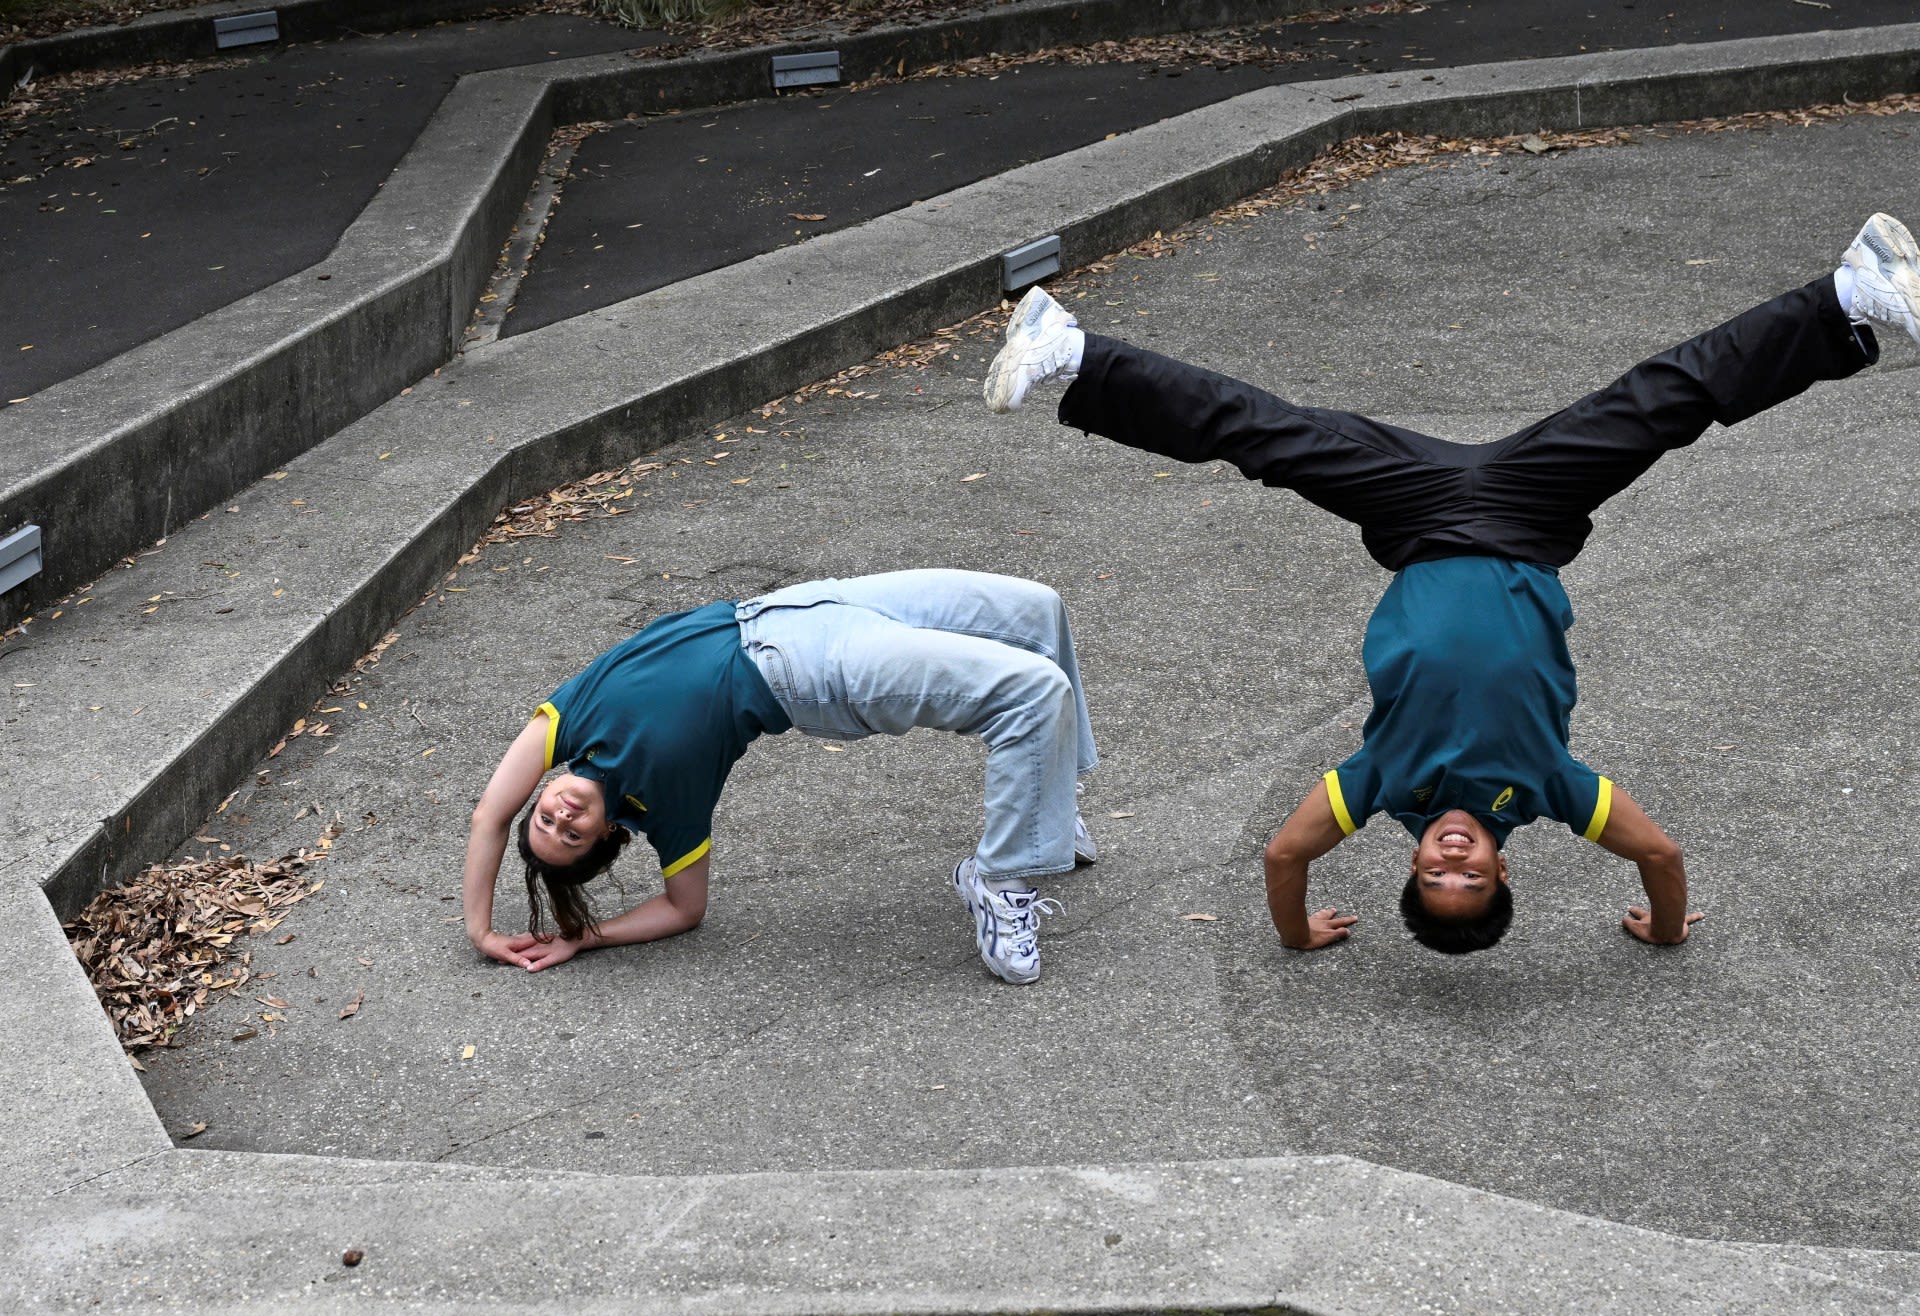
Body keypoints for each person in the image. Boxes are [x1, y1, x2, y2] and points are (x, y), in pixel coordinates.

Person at [982, 212, 1920, 954]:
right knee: (1661, 403)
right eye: (1472, 882)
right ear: (1506, 877)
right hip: (1520, 518)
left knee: (1265, 436)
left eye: (1435, 878)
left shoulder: (1381, 788)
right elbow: (1662, 856)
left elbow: (1282, 854)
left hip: (1421, 522)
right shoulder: (1549, 790)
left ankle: (1071, 352)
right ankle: (1849, 293)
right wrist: (1665, 928)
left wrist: (1298, 930)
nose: (1454, 864)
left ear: (1415, 863)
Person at [462, 570, 1100, 983]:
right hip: (812, 671)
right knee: (1031, 691)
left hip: (795, 606)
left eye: (545, 816)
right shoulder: (662, 807)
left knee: (1040, 610)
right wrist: (587, 938)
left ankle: (1045, 806)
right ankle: (999, 876)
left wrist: (481, 929)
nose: (562, 817)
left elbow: (489, 816)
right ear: (605, 835)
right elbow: (686, 909)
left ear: (542, 791)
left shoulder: (566, 724)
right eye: (571, 836)